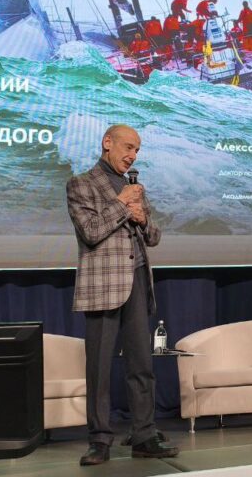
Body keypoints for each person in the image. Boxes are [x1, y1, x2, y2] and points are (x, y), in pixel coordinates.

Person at [66, 125, 179, 465]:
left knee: (142, 365)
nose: (133, 155)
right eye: (128, 147)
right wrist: (121, 204)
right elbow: (90, 232)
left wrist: (143, 220)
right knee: (99, 368)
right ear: (107, 143)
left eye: (137, 150)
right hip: (104, 286)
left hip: (138, 282)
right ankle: (99, 440)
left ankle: (144, 435)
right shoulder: (81, 184)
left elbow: (153, 237)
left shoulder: (135, 187)